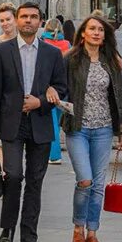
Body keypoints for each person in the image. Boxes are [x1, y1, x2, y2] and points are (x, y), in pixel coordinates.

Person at [0, 3, 68, 242]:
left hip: (40, 122)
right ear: (17, 21)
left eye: (33, 17)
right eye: (24, 17)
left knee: (35, 181)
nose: (28, 21)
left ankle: (29, 238)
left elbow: (61, 88)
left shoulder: (52, 54)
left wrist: (41, 101)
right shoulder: (1, 51)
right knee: (14, 175)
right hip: (12, 123)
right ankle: (7, 228)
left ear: (40, 22)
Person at [50, 14, 122, 242]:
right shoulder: (70, 59)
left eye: (100, 30)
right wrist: (53, 92)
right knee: (85, 180)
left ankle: (92, 232)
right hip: (78, 128)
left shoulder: (111, 62)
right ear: (83, 33)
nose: (96, 33)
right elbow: (57, 85)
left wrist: (121, 128)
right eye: (92, 29)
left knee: (98, 184)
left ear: (105, 36)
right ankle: (77, 228)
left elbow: (117, 96)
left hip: (103, 128)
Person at [39, 19, 70, 164]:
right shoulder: (67, 45)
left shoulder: (42, 43)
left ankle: (54, 154)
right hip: (63, 88)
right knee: (56, 123)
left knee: (50, 123)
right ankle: (53, 152)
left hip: (47, 88)